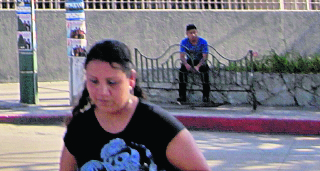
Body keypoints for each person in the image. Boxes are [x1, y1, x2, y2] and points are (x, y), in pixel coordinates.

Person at [61, 40, 211, 171]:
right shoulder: (79, 128)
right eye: (94, 81)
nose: (103, 92)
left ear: (131, 79)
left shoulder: (157, 124)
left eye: (112, 82)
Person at [177, 25, 211, 106]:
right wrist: (186, 65)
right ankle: (182, 96)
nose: (193, 35)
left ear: (197, 32)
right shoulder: (184, 42)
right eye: (191, 33)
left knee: (205, 72)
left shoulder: (203, 42)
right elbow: (182, 56)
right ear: (187, 34)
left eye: (194, 32)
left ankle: (206, 96)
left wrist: (198, 66)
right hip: (189, 61)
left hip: (199, 61)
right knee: (181, 72)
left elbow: (205, 57)